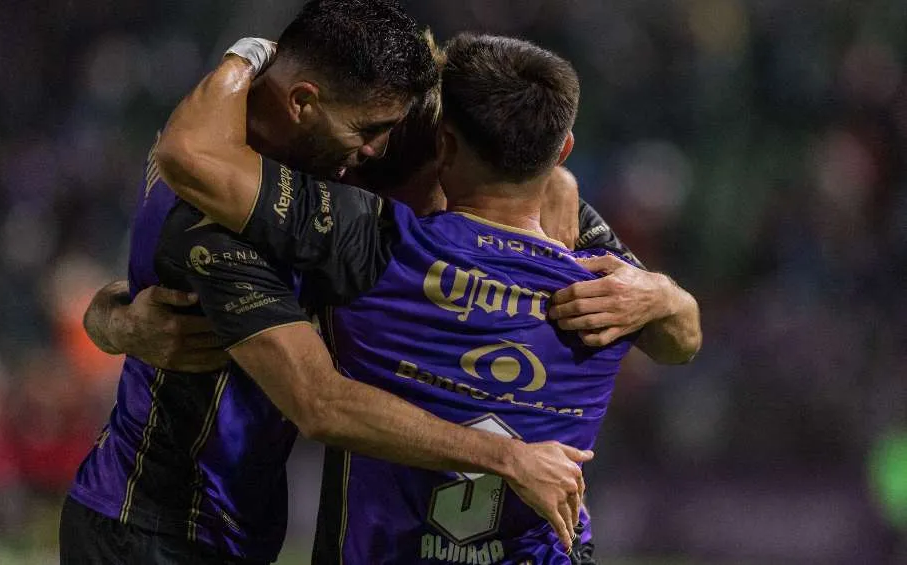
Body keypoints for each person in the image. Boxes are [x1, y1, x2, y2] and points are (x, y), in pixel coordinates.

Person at [61, 3, 596, 564]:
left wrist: (647, 281)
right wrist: (507, 456)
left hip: (231, 524)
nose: (375, 149)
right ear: (303, 103)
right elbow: (319, 403)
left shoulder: (292, 168)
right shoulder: (218, 211)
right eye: (369, 130)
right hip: (151, 525)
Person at [153, 31, 701, 564]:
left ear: (444, 145)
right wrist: (665, 295)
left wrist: (252, 53)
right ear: (562, 150)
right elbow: (683, 343)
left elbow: (191, 158)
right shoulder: (602, 282)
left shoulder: (374, 244)